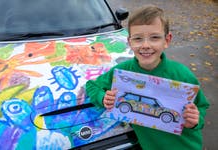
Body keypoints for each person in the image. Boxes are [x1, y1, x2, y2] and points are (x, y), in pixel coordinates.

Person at [86, 5, 210, 150]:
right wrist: (102, 97)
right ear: (130, 41)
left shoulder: (182, 75)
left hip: (185, 146)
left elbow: (201, 105)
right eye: (138, 39)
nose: (145, 45)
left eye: (155, 38)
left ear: (167, 40)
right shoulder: (122, 72)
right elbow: (91, 85)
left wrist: (196, 120)